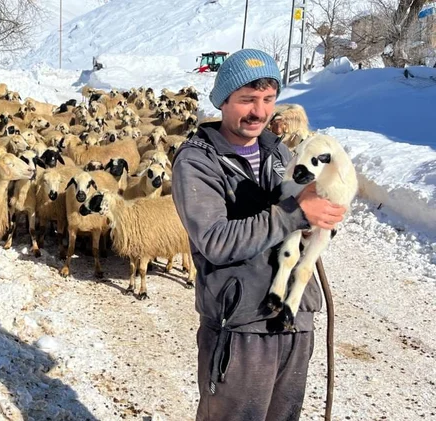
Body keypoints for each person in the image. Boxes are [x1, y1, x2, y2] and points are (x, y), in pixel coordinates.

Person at [170, 49, 346, 421]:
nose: (259, 112)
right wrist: (294, 214)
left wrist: (321, 215)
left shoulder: (279, 152)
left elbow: (302, 225)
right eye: (247, 100)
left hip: (294, 320)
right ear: (223, 101)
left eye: (268, 100)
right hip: (241, 325)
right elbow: (216, 241)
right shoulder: (198, 161)